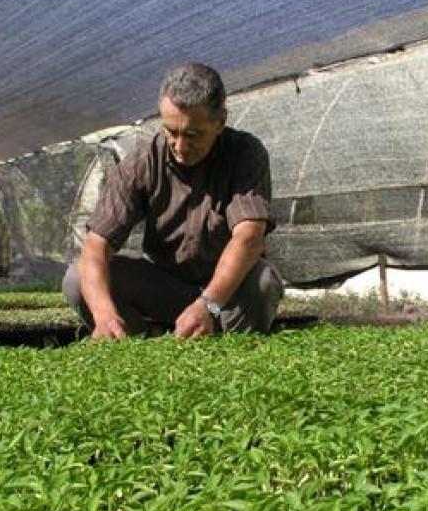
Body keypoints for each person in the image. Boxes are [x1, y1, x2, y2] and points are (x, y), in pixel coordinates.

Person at [63, 62, 283, 339]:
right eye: (171, 131)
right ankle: (131, 339)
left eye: (193, 134)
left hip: (227, 290)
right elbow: (96, 246)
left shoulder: (244, 154)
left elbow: (248, 238)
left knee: (263, 281)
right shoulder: (142, 163)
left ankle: (227, 345)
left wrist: (208, 304)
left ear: (220, 121)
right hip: (163, 284)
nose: (180, 146)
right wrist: (104, 313)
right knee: (76, 279)